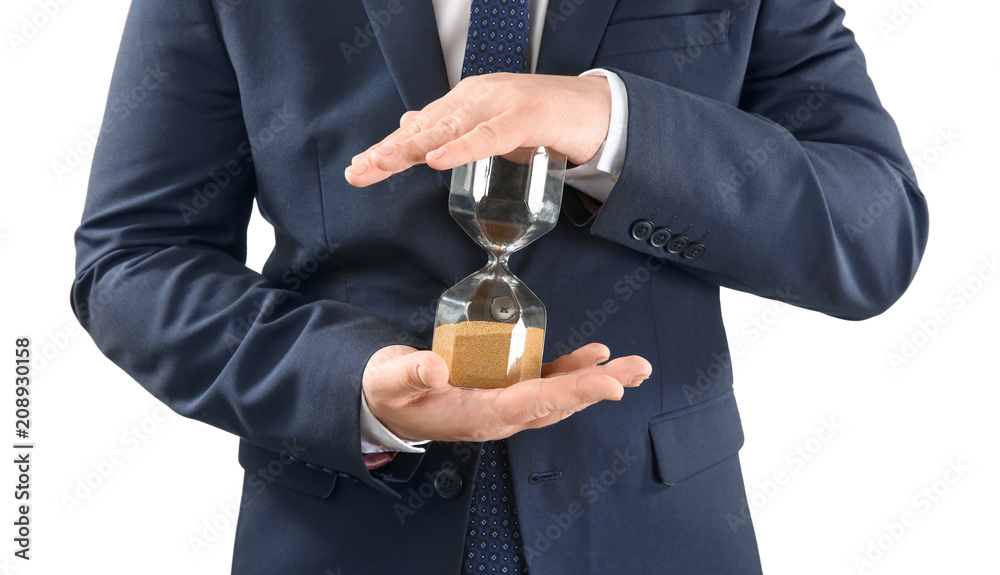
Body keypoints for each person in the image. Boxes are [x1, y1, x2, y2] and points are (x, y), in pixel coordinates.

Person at [72, 0, 928, 573]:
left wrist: (613, 128)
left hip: (659, 530)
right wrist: (350, 385)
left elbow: (874, 230)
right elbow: (134, 257)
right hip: (337, 529)